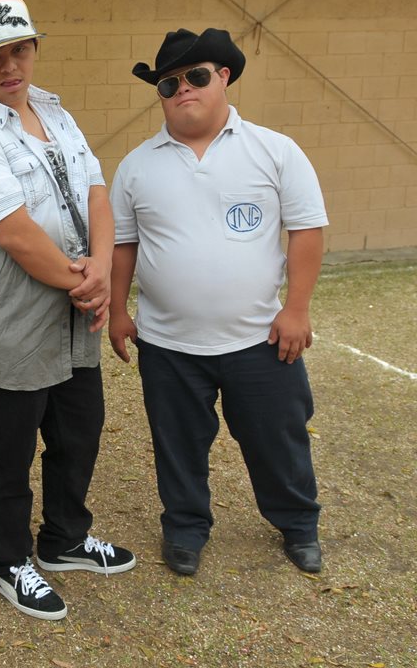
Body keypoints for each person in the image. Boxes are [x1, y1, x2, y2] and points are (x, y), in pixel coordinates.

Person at [0, 0, 136, 622]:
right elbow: (16, 234)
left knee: (79, 425)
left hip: (76, 293)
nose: (10, 66)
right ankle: (8, 557)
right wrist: (88, 282)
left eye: (20, 49)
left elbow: (96, 188)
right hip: (11, 307)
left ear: (35, 47)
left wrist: (100, 267)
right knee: (9, 441)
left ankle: (65, 537)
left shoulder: (50, 108)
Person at [109, 28, 327, 576]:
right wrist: (117, 311)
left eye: (196, 76)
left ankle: (298, 525)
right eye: (168, 83)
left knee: (278, 439)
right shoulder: (137, 166)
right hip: (168, 343)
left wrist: (296, 309)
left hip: (260, 338)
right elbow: (122, 244)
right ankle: (185, 528)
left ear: (223, 77)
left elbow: (306, 230)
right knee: (178, 445)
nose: (183, 89)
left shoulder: (275, 151)